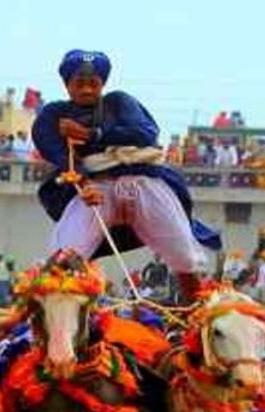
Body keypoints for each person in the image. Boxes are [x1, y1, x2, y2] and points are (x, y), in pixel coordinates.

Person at [32, 49, 221, 304]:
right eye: (79, 83)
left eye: (93, 83)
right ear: (67, 84)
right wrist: (84, 184)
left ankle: (203, 316)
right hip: (95, 189)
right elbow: (56, 151)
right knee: (63, 260)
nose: (87, 90)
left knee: (185, 258)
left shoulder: (119, 102)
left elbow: (144, 133)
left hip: (144, 184)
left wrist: (91, 135)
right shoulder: (53, 114)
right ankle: (52, 328)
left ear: (103, 83)